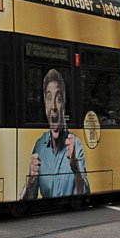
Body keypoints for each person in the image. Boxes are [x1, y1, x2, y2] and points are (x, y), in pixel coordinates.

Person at [20, 69, 89, 201]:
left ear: (64, 104)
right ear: (45, 105)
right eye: (49, 98)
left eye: (58, 98)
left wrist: (75, 167)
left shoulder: (76, 144)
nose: (53, 107)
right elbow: (27, 203)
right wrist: (29, 184)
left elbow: (83, 196)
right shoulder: (39, 146)